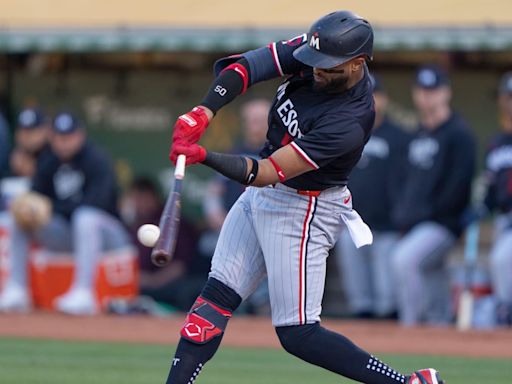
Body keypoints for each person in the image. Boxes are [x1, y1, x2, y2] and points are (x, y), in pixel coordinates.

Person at [164, 11, 444, 384]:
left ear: (357, 64)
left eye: (328, 68)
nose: (316, 71)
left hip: (305, 208)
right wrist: (203, 111)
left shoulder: (349, 121)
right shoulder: (317, 50)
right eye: (316, 62)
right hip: (264, 195)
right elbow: (246, 67)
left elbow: (263, 172)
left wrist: (203, 156)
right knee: (209, 306)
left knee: (298, 333)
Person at [0, 112, 132, 315]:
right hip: (68, 233)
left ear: (80, 136)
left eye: (69, 137)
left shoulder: (96, 159)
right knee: (19, 218)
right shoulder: (49, 161)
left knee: (85, 217)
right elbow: (35, 195)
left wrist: (50, 207)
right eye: (59, 138)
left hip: (108, 235)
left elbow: (96, 203)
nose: (64, 143)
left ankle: (84, 293)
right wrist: (31, 207)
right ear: (52, 137)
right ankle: (17, 289)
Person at [391, 65, 476, 326]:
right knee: (431, 276)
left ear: (446, 93)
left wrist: (426, 215)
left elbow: (459, 187)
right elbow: (400, 180)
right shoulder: (417, 133)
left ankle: (411, 328)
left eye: (434, 90)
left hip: (442, 224)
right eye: (423, 90)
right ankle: (440, 329)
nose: (428, 96)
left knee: (403, 260)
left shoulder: (459, 134)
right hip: (414, 224)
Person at [335, 75, 409, 319]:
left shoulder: (398, 137)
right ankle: (363, 329)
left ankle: (391, 340)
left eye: (374, 95)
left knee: (387, 297)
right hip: (353, 224)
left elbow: (406, 181)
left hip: (387, 226)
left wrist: (402, 218)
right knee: (360, 299)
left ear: (384, 99)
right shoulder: (346, 132)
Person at [202, 98, 272, 315]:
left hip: (270, 228)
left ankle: (262, 307)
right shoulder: (234, 153)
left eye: (260, 120)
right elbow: (213, 192)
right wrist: (216, 214)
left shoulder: (281, 153)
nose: (254, 126)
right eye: (250, 121)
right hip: (236, 227)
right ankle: (231, 306)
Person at [120, 177, 204, 312]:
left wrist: (153, 281)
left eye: (139, 198)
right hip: (142, 286)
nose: (135, 203)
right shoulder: (134, 225)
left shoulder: (172, 221)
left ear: (150, 197)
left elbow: (180, 266)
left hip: (172, 285)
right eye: (133, 198)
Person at [480, 72, 512, 326]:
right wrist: (482, 206)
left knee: (501, 259)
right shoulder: (497, 142)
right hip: (503, 219)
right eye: (507, 97)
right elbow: (491, 187)